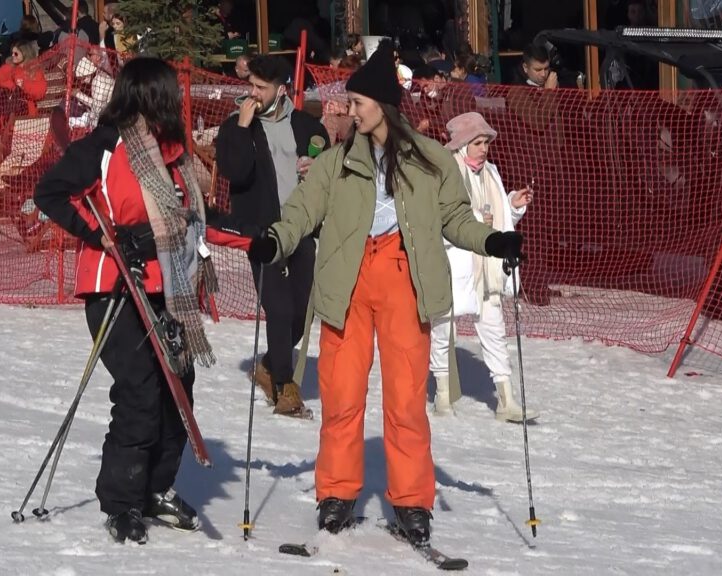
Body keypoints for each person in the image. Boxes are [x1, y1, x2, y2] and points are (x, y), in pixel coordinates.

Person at [245, 42, 523, 545]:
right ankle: (336, 492)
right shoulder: (337, 162)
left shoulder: (431, 159)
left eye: (357, 103)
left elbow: (456, 219)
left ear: (382, 106)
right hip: (346, 282)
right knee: (342, 395)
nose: (350, 111)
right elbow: (302, 211)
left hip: (404, 279)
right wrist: (274, 241)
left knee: (405, 402)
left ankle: (412, 501)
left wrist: (493, 239)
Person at [34, 57, 216, 545]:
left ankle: (156, 487)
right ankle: (121, 500)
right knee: (139, 393)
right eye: (170, 94)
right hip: (114, 285)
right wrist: (105, 235)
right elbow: (51, 192)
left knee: (179, 386)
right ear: (148, 96)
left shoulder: (172, 152)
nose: (177, 102)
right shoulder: (106, 144)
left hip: (165, 286)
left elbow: (186, 217)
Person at [215, 55, 329, 418]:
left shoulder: (307, 127)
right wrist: (242, 129)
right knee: (277, 308)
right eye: (252, 86)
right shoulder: (237, 125)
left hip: (301, 229)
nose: (254, 93)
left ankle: (267, 364)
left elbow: (328, 166)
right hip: (262, 234)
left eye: (261, 88)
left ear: (281, 90)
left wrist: (318, 167)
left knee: (299, 313)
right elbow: (236, 172)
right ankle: (284, 385)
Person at [429, 112, 536, 422]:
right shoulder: (444, 172)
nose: (484, 148)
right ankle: (443, 395)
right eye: (477, 142)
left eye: (486, 141)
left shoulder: (491, 172)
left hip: (487, 268)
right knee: (442, 328)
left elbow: (499, 216)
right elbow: (439, 218)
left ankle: (506, 399)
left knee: (494, 329)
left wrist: (513, 204)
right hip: (454, 262)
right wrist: (475, 222)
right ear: (462, 145)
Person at [0, 40, 47, 116]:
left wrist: (24, 87)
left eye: (16, 53)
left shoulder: (34, 70)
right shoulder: (9, 67)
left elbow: (39, 93)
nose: (13, 55)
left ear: (24, 54)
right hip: (10, 108)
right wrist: (13, 86)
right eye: (12, 53)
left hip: (27, 110)